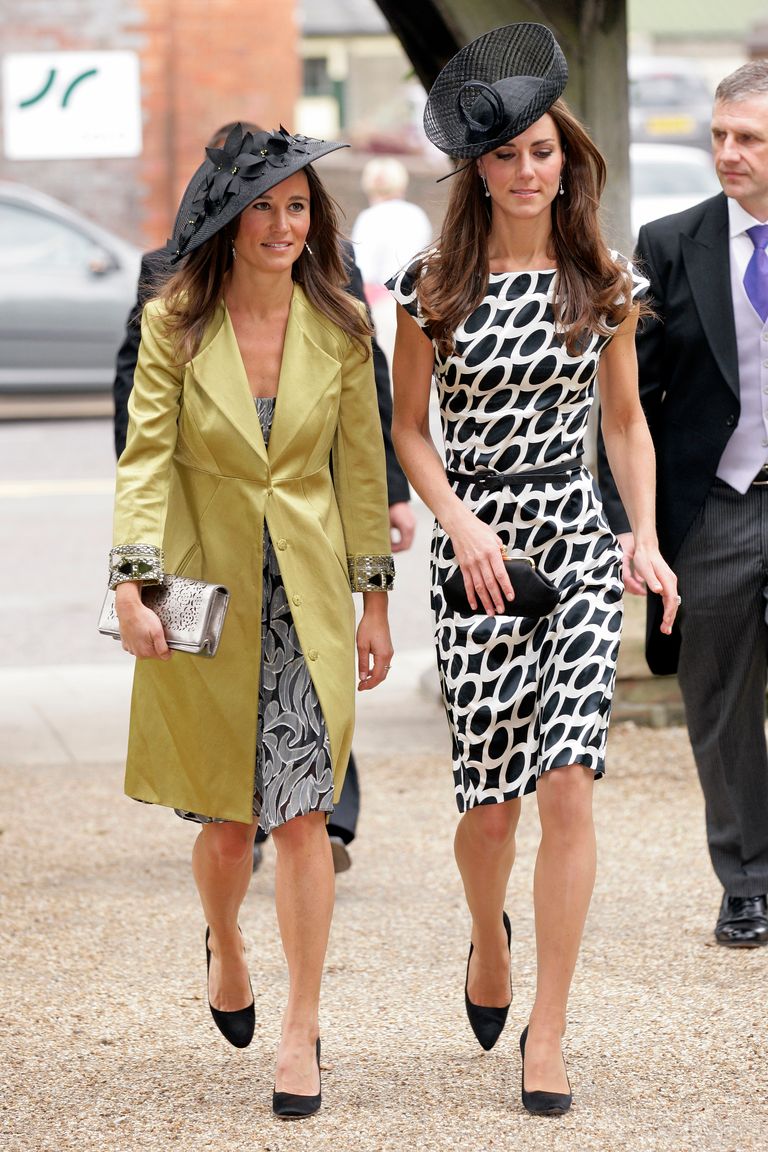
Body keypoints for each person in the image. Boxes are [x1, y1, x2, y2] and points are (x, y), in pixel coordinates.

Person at [387, 23, 679, 1116]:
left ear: (569, 163)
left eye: (542, 152)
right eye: (505, 154)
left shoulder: (603, 280)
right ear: (479, 168)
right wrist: (459, 523)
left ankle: (546, 1032)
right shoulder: (429, 285)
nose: (525, 170)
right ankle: (485, 938)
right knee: (492, 811)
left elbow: (626, 424)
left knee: (567, 783)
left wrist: (640, 534)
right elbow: (409, 430)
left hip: (572, 535)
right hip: (479, 551)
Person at [109, 123, 394, 1119]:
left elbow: (361, 468)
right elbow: (145, 459)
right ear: (230, 222)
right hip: (203, 592)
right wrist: (129, 584)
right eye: (264, 207)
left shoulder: (346, 325)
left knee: (305, 812)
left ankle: (303, 1027)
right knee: (230, 827)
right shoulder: (173, 322)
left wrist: (376, 599)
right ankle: (226, 945)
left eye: (299, 207)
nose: (282, 225)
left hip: (308, 598)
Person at [597, 60, 768, 950]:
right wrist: (635, 528)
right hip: (716, 507)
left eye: (748, 139)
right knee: (719, 702)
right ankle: (747, 882)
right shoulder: (668, 245)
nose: (727, 154)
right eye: (719, 136)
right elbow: (628, 403)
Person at [351, 156, 433, 366]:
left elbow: (364, 271)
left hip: (381, 304)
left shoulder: (369, 218)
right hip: (417, 302)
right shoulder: (417, 215)